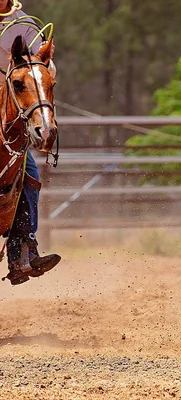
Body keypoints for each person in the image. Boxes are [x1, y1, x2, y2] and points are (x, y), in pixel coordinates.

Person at [0, 0, 60, 285]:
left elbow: (43, 69)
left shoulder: (26, 23)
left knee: (29, 176)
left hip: (10, 110)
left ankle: (23, 253)